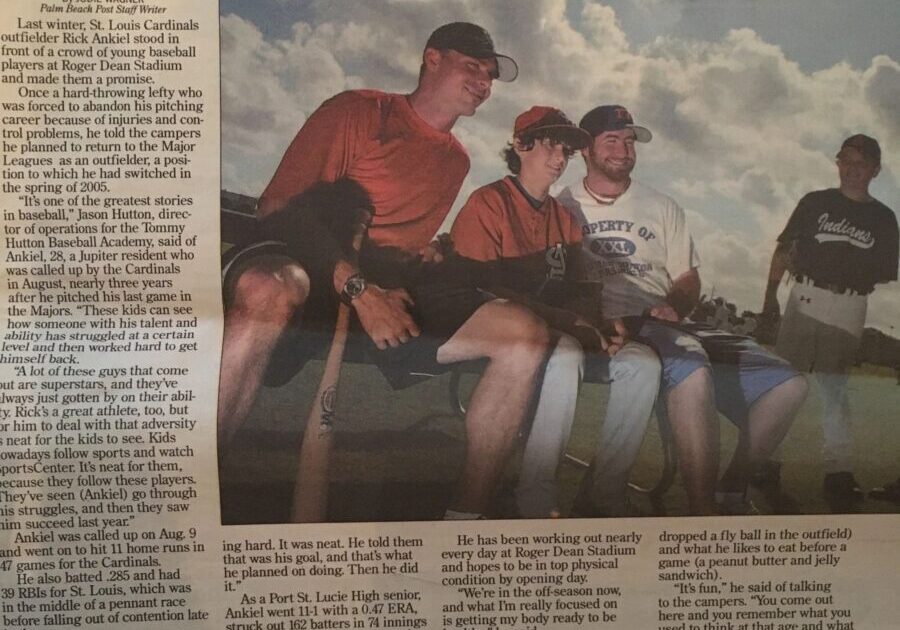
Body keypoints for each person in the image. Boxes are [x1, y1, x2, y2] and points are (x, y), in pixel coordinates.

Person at [218, 22, 552, 521]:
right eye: (473, 67)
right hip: (304, 257)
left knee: (523, 333)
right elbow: (279, 206)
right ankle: (196, 488)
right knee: (269, 287)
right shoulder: (359, 110)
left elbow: (398, 251)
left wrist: (416, 262)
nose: (484, 83)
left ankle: (465, 520)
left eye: (490, 76)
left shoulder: (456, 162)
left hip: (378, 285)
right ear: (432, 59)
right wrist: (358, 288)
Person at [558, 105, 808, 515]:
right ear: (586, 149)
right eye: (611, 141)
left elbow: (687, 278)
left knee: (789, 385)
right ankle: (702, 515)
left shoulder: (662, 205)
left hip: (667, 323)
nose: (624, 150)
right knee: (691, 367)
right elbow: (557, 283)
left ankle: (731, 491)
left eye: (629, 141)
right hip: (614, 327)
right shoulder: (564, 204)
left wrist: (673, 305)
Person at [449, 106, 661, 517]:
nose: (560, 157)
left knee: (643, 363)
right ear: (520, 145)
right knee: (565, 352)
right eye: (550, 145)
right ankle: (535, 492)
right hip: (493, 330)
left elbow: (583, 289)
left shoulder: (565, 218)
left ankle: (606, 494)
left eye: (567, 149)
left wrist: (602, 326)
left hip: (560, 329)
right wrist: (570, 323)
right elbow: (480, 288)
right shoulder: (488, 202)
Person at [763, 134, 898, 509]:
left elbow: (883, 271)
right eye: (846, 160)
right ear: (838, 163)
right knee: (785, 384)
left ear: (875, 170)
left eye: (861, 163)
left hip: (850, 303)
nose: (852, 169)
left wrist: (841, 268)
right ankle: (767, 462)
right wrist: (770, 296)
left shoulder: (884, 218)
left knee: (834, 389)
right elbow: (783, 249)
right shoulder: (815, 202)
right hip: (806, 295)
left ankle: (838, 471)